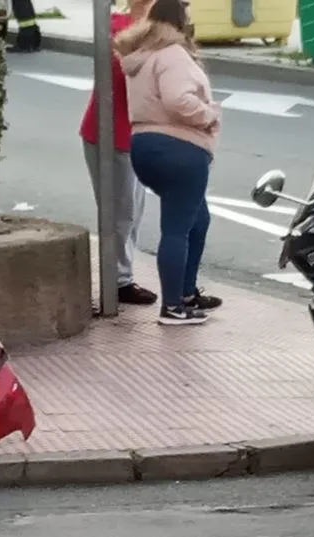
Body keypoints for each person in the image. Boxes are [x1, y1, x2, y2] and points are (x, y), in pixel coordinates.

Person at [115, 0, 222, 325]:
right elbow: (178, 99)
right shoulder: (172, 53)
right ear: (179, 20)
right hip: (179, 147)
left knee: (197, 219)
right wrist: (209, 115)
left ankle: (187, 293)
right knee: (177, 228)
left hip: (145, 145)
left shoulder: (142, 54)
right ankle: (174, 306)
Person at [79, 0, 157, 306]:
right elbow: (122, 74)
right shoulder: (113, 26)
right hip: (108, 133)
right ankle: (119, 282)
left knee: (133, 212)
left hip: (135, 134)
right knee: (120, 213)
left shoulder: (157, 29)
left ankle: (123, 276)